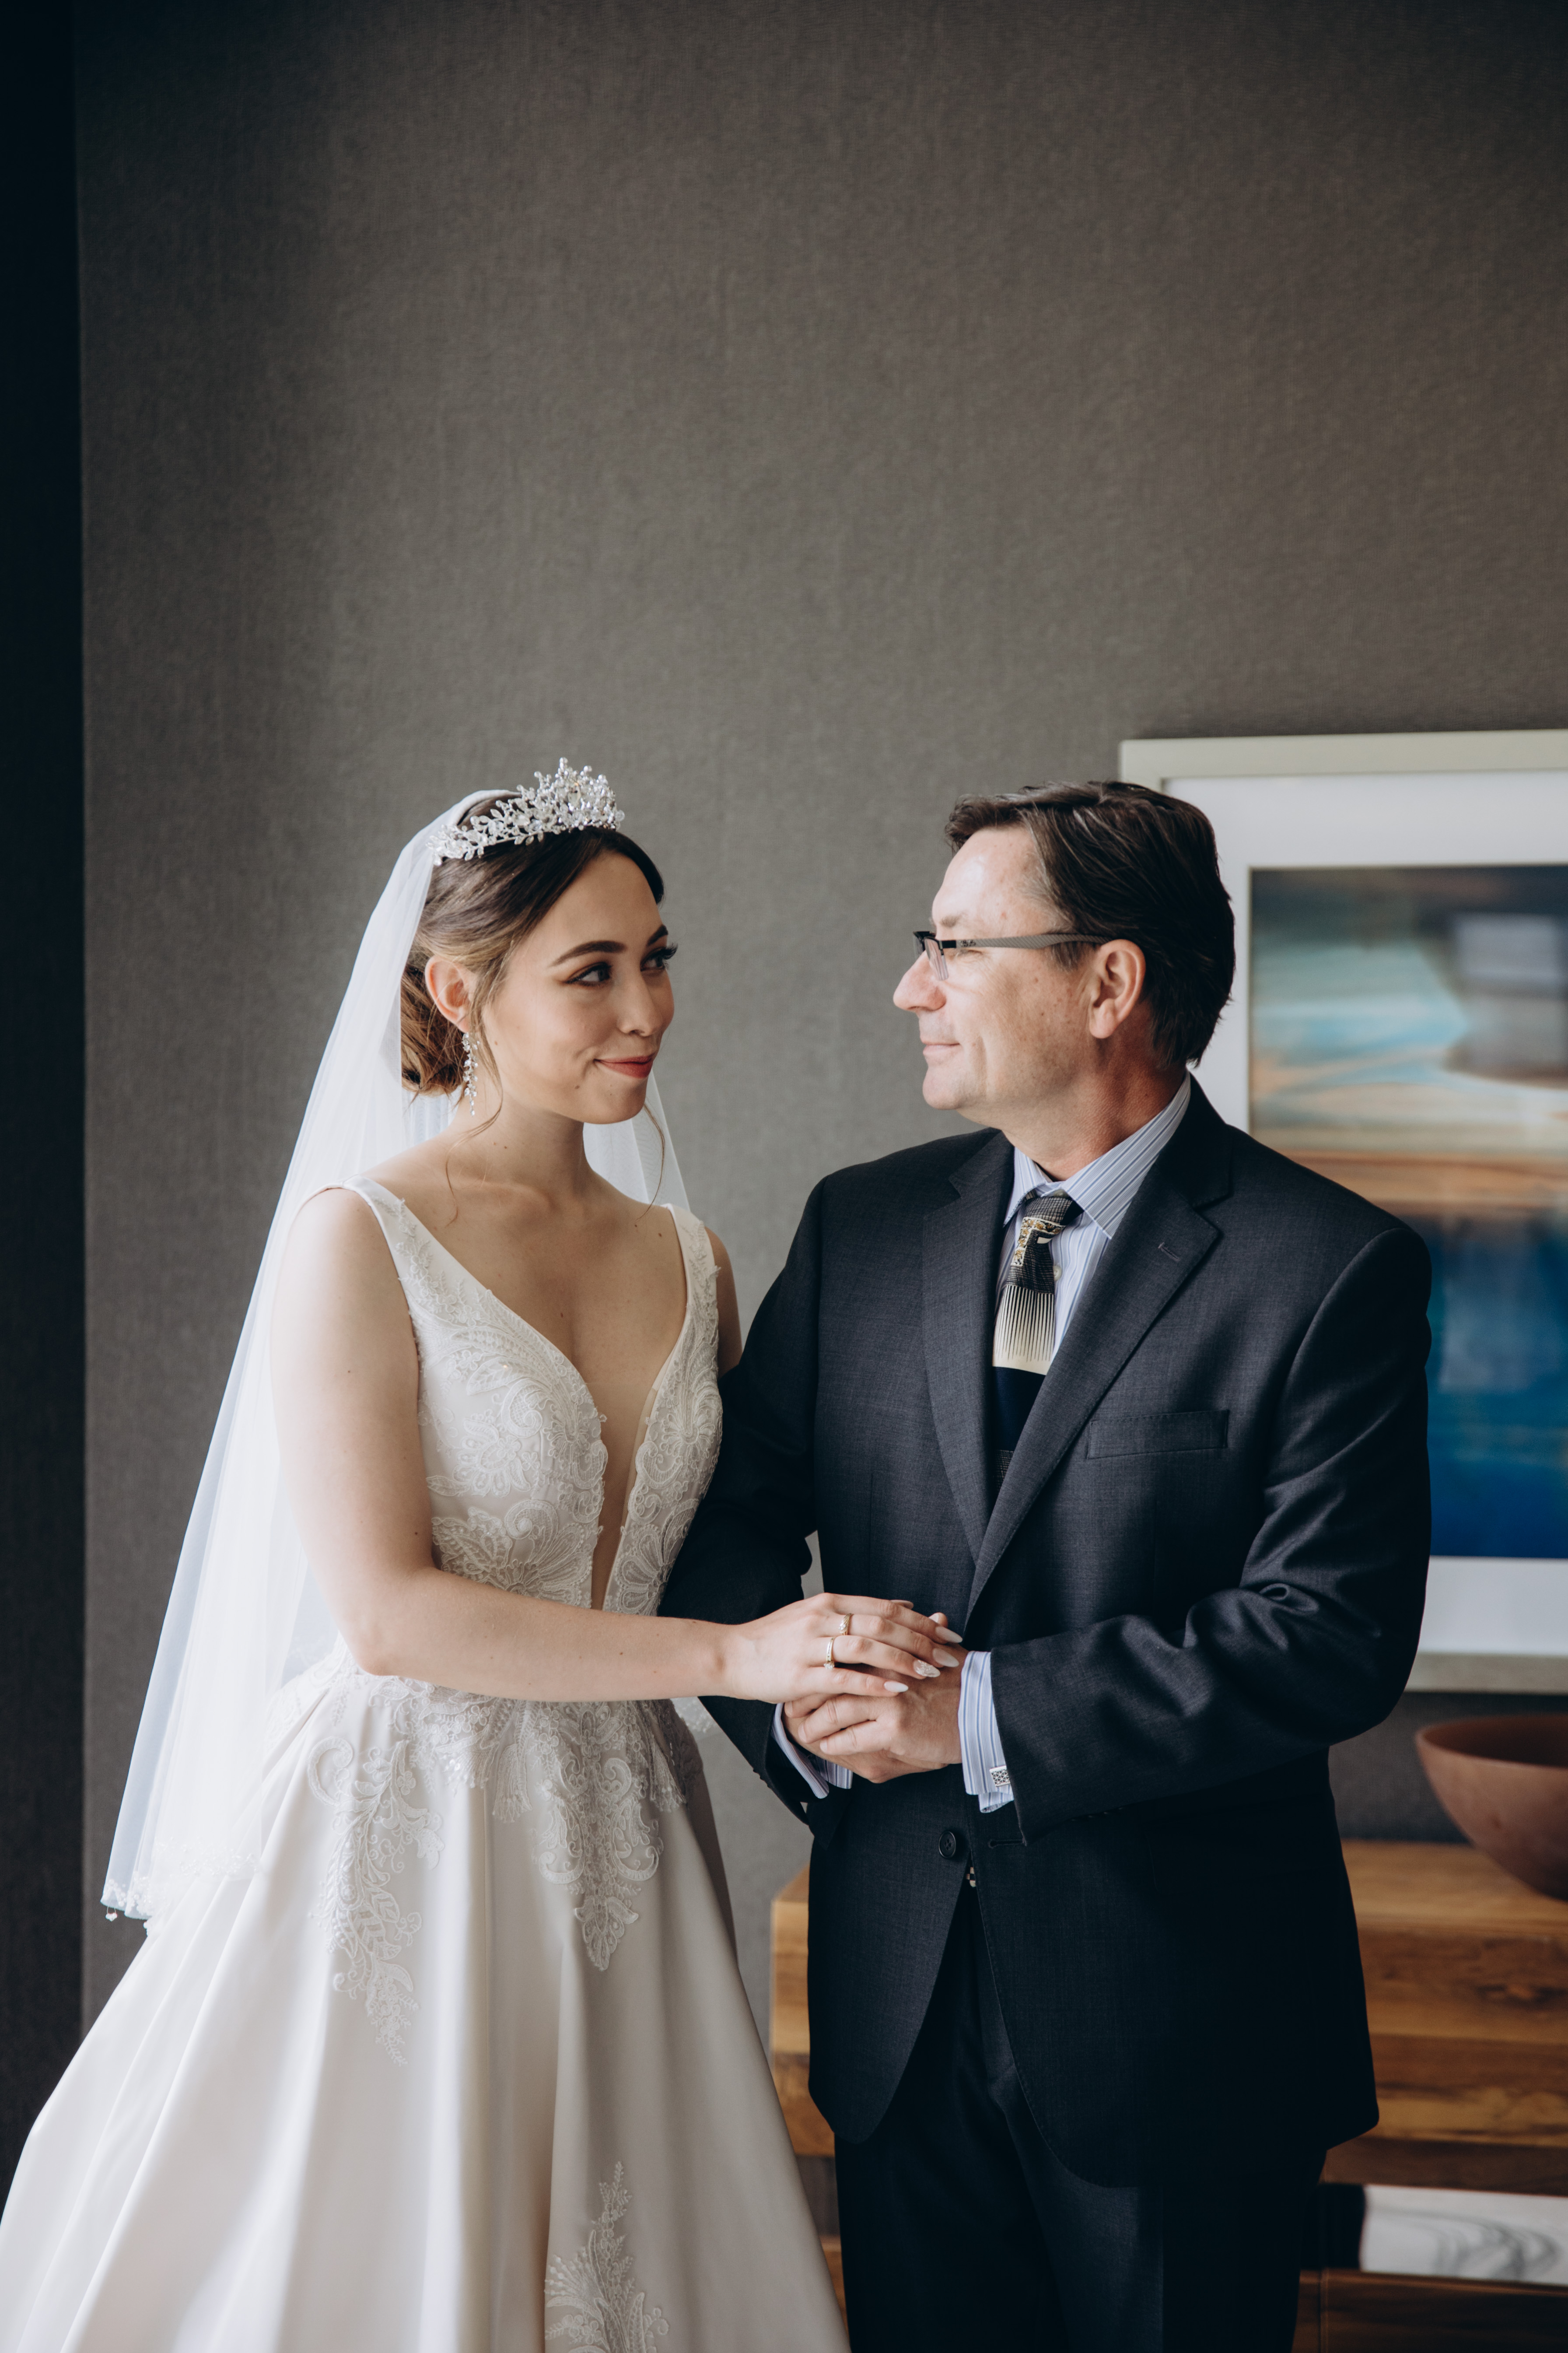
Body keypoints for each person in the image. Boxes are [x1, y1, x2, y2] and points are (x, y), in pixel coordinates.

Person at [0, 766, 957, 2352]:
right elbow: (387, 1615)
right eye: (593, 971)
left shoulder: (692, 1257)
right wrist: (739, 1658)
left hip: (627, 1833)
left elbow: (727, 1546)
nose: (647, 1007)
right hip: (405, 1830)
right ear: (461, 992)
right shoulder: (359, 1237)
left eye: (658, 957)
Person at [662, 779, 1432, 2353]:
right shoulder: (862, 1227)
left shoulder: (1329, 1266)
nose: (913, 985)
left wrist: (975, 1712)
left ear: (1108, 983)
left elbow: (1328, 1632)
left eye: (956, 945)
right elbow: (722, 1528)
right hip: (896, 2005)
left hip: (1184, 2029)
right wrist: (814, 1712)